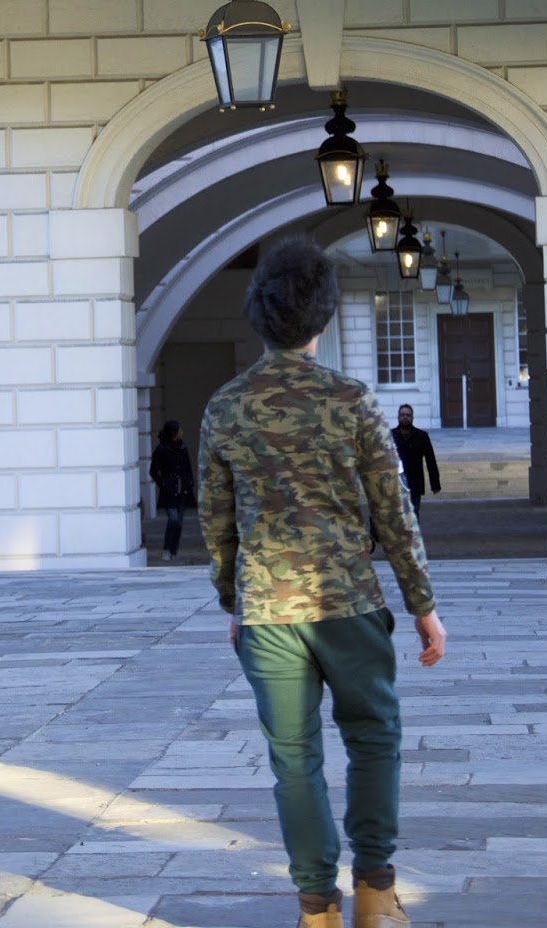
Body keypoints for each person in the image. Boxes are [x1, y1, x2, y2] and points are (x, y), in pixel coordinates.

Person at [198, 236, 447, 928]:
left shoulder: (225, 406)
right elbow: (394, 510)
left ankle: (316, 911)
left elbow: (216, 521)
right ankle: (376, 895)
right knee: (373, 738)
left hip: (268, 611)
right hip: (348, 605)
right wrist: (422, 605)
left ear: (258, 315)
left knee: (294, 759)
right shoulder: (352, 400)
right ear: (324, 318)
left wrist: (235, 600)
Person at [149, 419, 195, 561]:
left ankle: (173, 551)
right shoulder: (161, 450)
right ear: (173, 433)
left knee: (179, 522)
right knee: (173, 519)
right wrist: (162, 483)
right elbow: (153, 471)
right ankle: (166, 549)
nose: (182, 432)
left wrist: (189, 483)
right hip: (169, 491)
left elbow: (188, 468)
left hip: (182, 490)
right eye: (179, 430)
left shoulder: (183, 448)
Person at [391, 404, 441, 518]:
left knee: (413, 515)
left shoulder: (422, 436)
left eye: (408, 415)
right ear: (398, 417)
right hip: (395, 483)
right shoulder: (390, 436)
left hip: (414, 483)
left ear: (412, 417)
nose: (405, 417)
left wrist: (435, 484)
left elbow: (430, 460)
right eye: (402, 415)